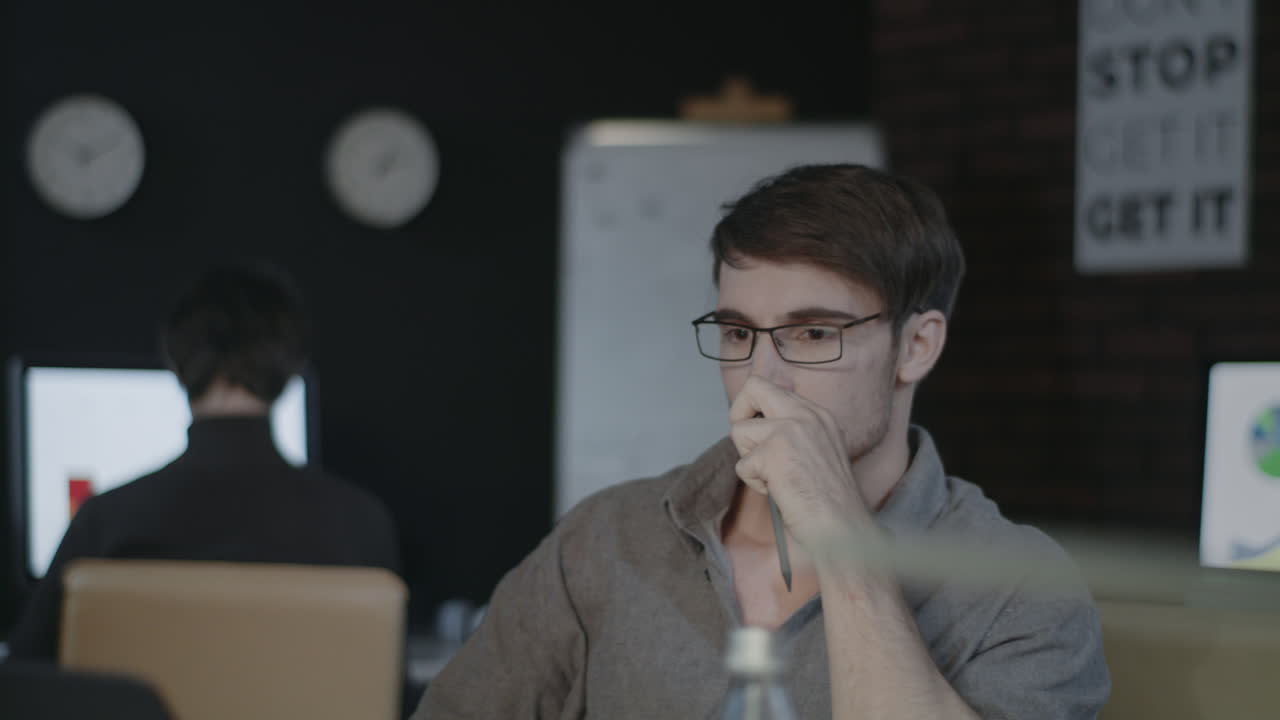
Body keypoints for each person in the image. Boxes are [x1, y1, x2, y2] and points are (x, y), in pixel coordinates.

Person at [412, 164, 1110, 719]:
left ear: (917, 346)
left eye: (813, 333)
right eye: (738, 332)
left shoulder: (1021, 590)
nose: (760, 376)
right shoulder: (606, 538)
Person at [6, 262, 400, 662]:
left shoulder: (104, 524)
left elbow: (24, 681)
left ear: (176, 362)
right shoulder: (362, 525)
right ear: (291, 367)